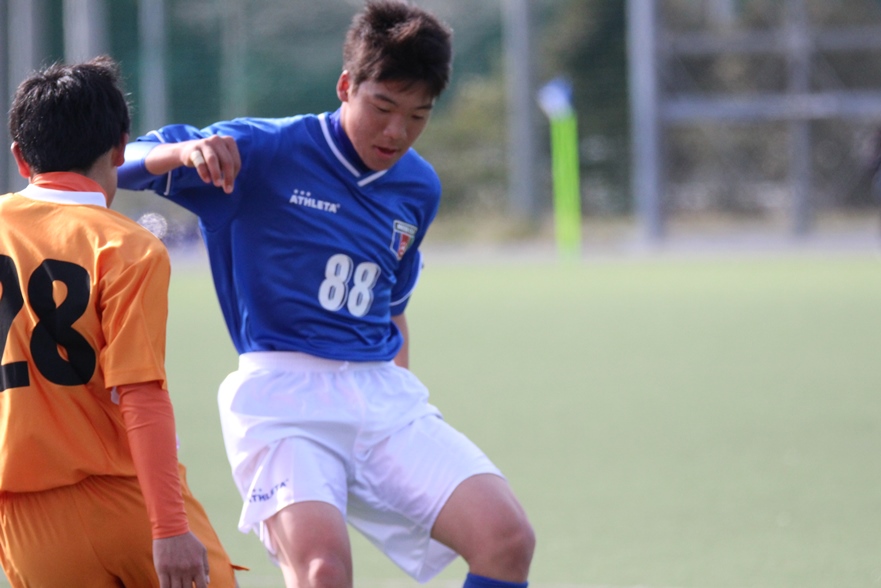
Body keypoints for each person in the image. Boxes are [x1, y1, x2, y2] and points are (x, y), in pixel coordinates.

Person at [118, 1, 535, 586]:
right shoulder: (262, 151)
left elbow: (392, 310)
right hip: (283, 400)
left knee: (507, 539)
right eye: (382, 107)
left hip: (381, 396)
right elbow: (119, 162)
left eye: (418, 115)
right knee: (322, 572)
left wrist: (399, 402)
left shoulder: (419, 186)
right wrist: (183, 153)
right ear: (346, 86)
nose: (397, 131)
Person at [0, 57, 241, 588]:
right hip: (127, 498)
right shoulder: (128, 246)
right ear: (119, 149)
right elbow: (140, 394)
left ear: (19, 156)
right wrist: (169, 528)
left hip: (25, 522)